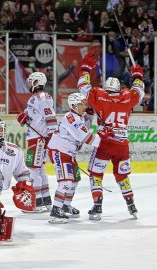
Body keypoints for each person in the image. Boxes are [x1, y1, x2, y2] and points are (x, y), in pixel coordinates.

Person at [77, 51, 145, 220]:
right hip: (122, 145)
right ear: (119, 88)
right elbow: (139, 91)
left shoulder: (99, 96)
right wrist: (137, 76)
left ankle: (97, 205)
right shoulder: (127, 97)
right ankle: (131, 205)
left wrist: (85, 69)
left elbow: (82, 87)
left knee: (96, 174)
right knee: (122, 176)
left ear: (106, 87)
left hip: (104, 143)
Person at [47, 93, 113, 224]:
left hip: (69, 153)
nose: (85, 106)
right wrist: (103, 137)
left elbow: (85, 128)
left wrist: (90, 115)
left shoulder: (79, 117)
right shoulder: (71, 118)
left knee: (75, 180)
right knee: (65, 182)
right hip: (60, 151)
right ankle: (56, 210)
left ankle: (65, 205)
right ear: (74, 106)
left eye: (85, 104)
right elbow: (86, 137)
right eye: (82, 104)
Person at [17, 72, 58, 212]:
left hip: (38, 139)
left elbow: (50, 117)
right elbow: (34, 116)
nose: (28, 84)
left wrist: (52, 136)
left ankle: (36, 203)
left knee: (33, 169)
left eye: (30, 81)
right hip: (37, 137)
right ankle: (45, 201)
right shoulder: (35, 98)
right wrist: (25, 116)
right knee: (39, 169)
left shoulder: (42, 97)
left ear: (37, 82)